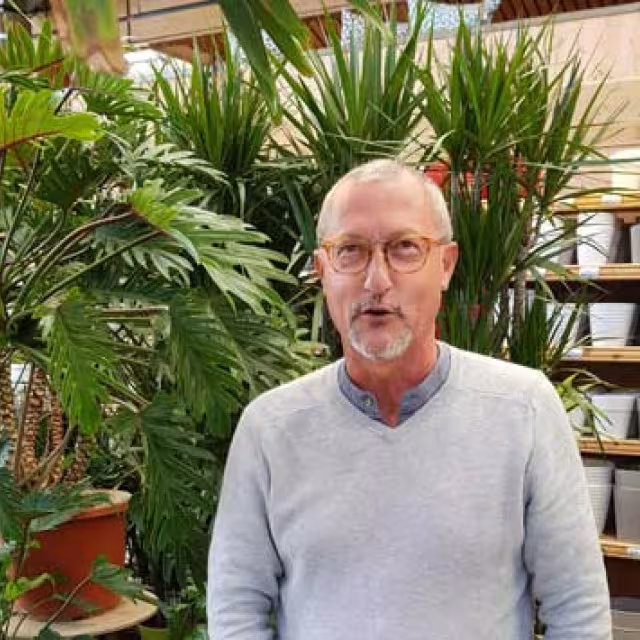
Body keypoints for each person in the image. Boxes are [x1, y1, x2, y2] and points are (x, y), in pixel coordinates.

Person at [207, 159, 611, 640]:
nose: (376, 280)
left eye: (404, 248)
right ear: (322, 271)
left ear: (446, 265)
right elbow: (236, 608)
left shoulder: (523, 410)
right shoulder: (272, 430)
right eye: (351, 251)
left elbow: (577, 610)